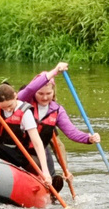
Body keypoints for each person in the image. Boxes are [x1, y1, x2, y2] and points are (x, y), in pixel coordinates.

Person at [19, 63, 97, 192]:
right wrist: (54, 71)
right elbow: (29, 89)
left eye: (48, 93)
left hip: (40, 151)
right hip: (20, 148)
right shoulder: (25, 100)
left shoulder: (57, 110)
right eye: (40, 93)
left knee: (52, 178)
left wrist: (89, 138)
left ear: (53, 92)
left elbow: (72, 133)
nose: (45, 97)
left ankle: (50, 192)